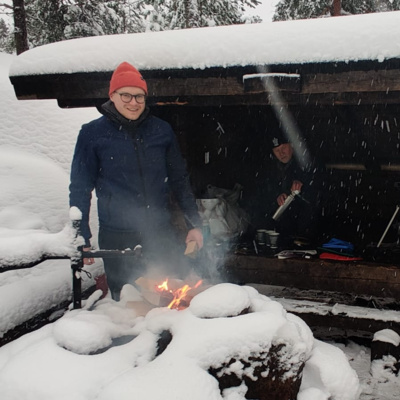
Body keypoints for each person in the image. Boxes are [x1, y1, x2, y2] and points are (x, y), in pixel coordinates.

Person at [69, 61, 203, 300]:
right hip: (117, 237)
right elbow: (80, 187)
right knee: (126, 302)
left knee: (168, 298)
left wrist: (194, 224)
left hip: (158, 232)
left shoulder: (161, 131)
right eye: (126, 95)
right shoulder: (92, 134)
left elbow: (179, 180)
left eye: (139, 97)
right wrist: (82, 238)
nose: (134, 102)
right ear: (112, 95)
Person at [266, 133, 322, 247]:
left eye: (283, 148)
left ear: (291, 145)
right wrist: (277, 196)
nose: (281, 153)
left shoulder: (306, 161)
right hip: (284, 228)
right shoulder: (272, 168)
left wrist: (303, 186)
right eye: (277, 151)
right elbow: (267, 191)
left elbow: (318, 189)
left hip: (307, 226)